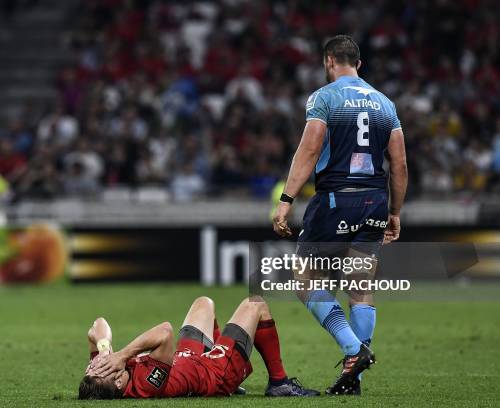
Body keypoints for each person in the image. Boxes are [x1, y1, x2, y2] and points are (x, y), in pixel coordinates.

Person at [271, 35, 408, 395]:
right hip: (375, 201)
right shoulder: (385, 104)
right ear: (358, 64)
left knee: (304, 277)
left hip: (337, 198)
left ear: (329, 61)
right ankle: (354, 381)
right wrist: (394, 212)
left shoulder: (324, 98)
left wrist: (286, 199)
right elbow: (400, 163)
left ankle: (353, 350)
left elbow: (310, 148)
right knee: (360, 285)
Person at [78, 296, 319, 399]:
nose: (97, 365)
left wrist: (103, 349)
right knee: (255, 303)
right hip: (214, 374)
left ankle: (239, 362)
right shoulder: (146, 385)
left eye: (91, 366)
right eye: (99, 368)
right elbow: (164, 332)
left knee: (204, 303)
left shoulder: (107, 374)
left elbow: (97, 325)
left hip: (189, 360)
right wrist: (121, 354)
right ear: (119, 383)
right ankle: (279, 383)